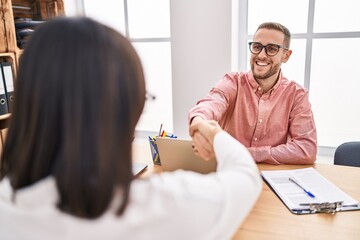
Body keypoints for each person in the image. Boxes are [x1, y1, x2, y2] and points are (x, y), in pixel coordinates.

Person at [0, 17, 261, 240]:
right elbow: (245, 177)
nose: (261, 55)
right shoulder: (164, 207)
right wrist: (211, 130)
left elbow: (304, 145)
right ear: (124, 109)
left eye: (270, 48)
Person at [189, 22, 317, 165]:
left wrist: (244, 153)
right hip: (229, 172)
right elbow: (211, 104)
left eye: (271, 49)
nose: (261, 55)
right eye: (257, 47)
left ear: (286, 56)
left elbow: (307, 149)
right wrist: (198, 122)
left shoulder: (296, 95)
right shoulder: (232, 82)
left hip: (272, 178)